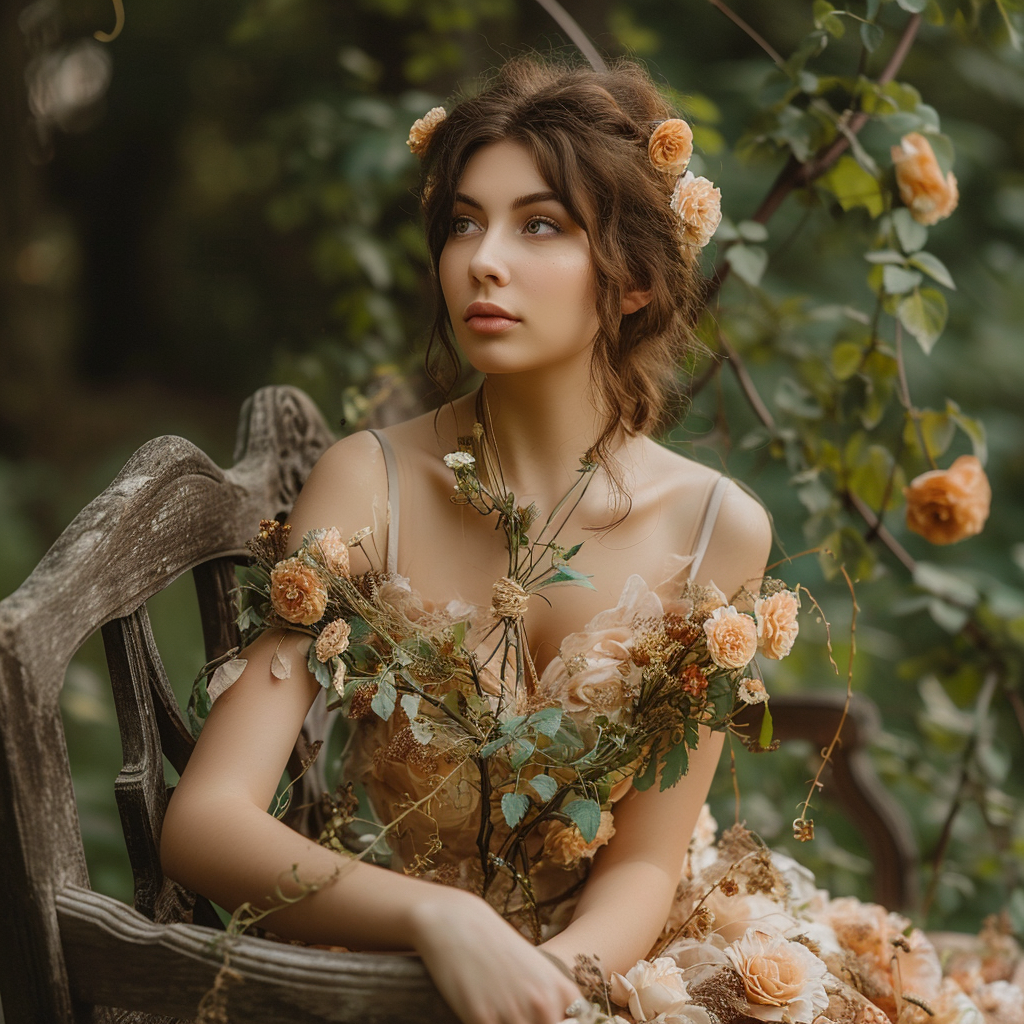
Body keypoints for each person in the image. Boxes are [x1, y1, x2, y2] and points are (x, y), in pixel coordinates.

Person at [160, 56, 772, 1024]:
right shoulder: (372, 484)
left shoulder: (715, 528)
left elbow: (650, 854)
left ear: (636, 283)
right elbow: (205, 822)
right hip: (403, 966)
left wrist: (561, 987)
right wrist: (439, 917)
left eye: (540, 224)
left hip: (618, 972)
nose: (483, 259)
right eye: (462, 221)